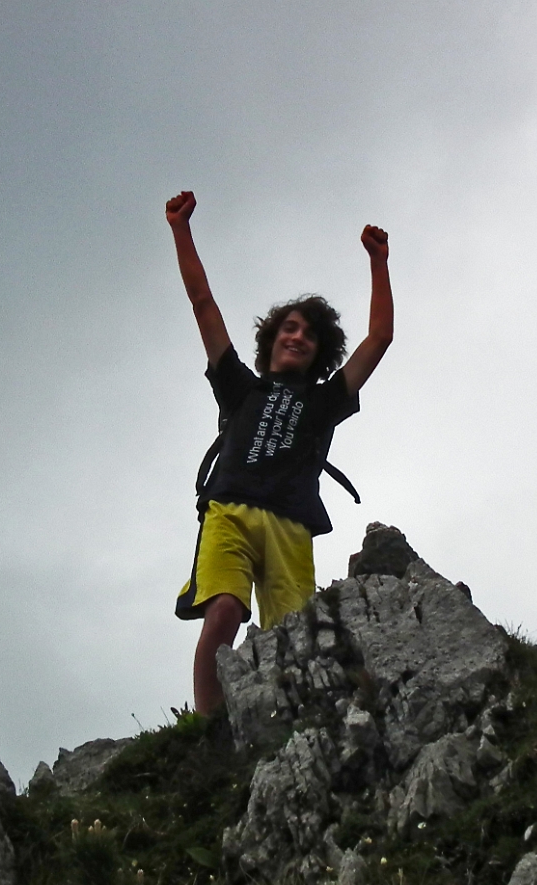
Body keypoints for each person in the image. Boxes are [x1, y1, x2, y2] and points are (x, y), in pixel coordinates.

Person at [166, 190, 394, 715]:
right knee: (222, 610)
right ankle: (209, 722)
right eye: (289, 328)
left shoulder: (323, 402)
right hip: (230, 512)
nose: (297, 337)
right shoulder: (240, 388)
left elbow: (379, 339)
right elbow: (204, 305)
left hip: (291, 526)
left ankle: (288, 717)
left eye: (309, 335)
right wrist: (182, 230)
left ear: (319, 352)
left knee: (295, 636)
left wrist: (378, 264)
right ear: (271, 339)